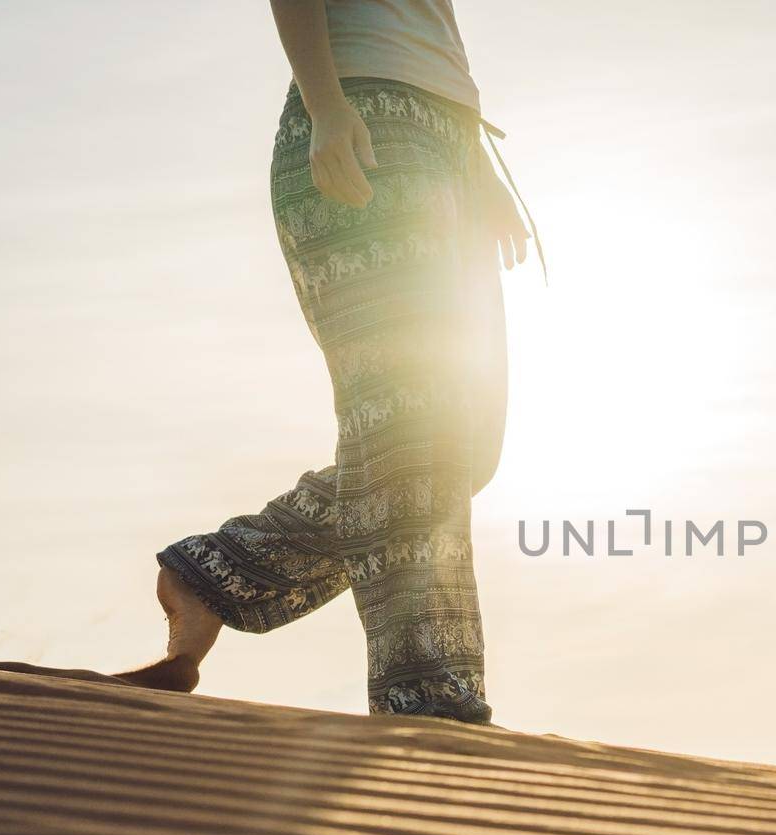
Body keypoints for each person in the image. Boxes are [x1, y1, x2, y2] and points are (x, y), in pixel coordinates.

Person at [119, 0, 531, 724]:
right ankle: (428, 699)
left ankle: (215, 573)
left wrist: (476, 167)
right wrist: (327, 105)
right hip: (365, 123)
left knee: (465, 448)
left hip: (446, 141)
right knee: (410, 437)